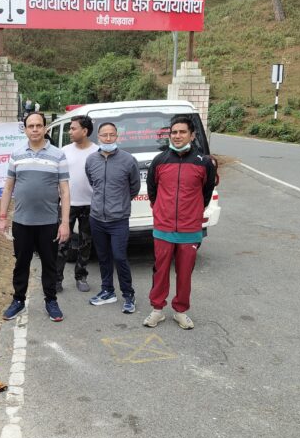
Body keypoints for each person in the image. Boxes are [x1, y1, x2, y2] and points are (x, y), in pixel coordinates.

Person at [143, 114, 216, 330]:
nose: (177, 136)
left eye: (182, 132)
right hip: (163, 228)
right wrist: (161, 210)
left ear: (192, 135)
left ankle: (181, 311)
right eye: (174, 132)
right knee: (160, 271)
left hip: (190, 229)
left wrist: (193, 212)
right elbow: (152, 190)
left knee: (184, 273)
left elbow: (206, 192)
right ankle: (157, 310)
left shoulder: (203, 162)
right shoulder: (160, 160)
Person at [0, 112, 70, 322]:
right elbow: (8, 187)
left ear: (45, 128)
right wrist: (2, 217)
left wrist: (65, 223)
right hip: (22, 222)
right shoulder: (17, 154)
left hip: (48, 223)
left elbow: (65, 191)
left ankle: (51, 301)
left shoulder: (58, 155)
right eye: (31, 126)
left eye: (39, 125)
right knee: (21, 263)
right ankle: (18, 300)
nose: (35, 129)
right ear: (25, 130)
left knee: (49, 264)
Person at [86, 122, 140, 313]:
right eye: (104, 135)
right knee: (103, 257)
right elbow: (93, 183)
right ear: (98, 137)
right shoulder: (91, 160)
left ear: (117, 136)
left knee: (119, 256)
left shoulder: (128, 160)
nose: (108, 138)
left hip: (119, 219)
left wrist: (119, 203)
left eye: (111, 135)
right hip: (96, 218)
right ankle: (107, 290)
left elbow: (134, 187)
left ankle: (128, 294)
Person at [55, 115, 98, 293]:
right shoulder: (64, 151)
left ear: (85, 131)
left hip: (90, 204)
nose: (69, 132)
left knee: (85, 243)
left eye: (73, 128)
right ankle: (57, 279)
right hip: (68, 205)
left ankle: (81, 276)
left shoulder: (97, 151)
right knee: (61, 242)